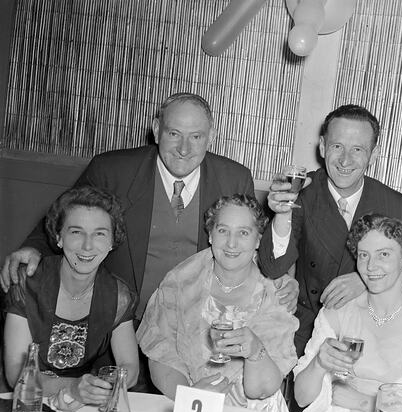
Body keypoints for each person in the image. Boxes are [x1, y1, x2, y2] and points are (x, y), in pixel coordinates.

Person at [1, 92, 297, 318]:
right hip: (118, 322)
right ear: (156, 130)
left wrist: (281, 280)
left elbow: (247, 248)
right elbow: (64, 219)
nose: (184, 149)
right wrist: (34, 248)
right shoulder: (112, 171)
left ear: (212, 137)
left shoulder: (234, 178)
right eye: (173, 134)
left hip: (194, 327)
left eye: (196, 137)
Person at [258, 105, 402, 358]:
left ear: (373, 155)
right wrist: (282, 214)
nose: (345, 160)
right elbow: (273, 268)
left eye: (357, 149)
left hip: (374, 331)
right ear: (322, 147)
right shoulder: (300, 193)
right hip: (306, 329)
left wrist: (365, 279)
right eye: (337, 146)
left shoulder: (396, 206)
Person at [137, 195, 298, 412]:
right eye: (223, 230)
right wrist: (190, 397)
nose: (232, 243)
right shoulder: (181, 280)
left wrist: (255, 351)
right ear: (211, 235)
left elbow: (261, 390)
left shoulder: (275, 291)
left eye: (243, 232)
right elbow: (161, 357)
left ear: (259, 240)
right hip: (187, 404)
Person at [293, 214, 402, 412]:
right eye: (363, 255)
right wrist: (318, 365)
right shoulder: (338, 311)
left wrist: (364, 403)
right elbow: (301, 398)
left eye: (383, 254)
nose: (370, 266)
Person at [3, 186, 139, 411]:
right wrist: (72, 386)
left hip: (77, 404)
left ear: (112, 242)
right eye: (76, 232)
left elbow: (130, 367)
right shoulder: (27, 283)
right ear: (58, 237)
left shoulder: (118, 295)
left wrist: (103, 386)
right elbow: (17, 373)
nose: (87, 245)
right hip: (20, 402)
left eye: (100, 234)